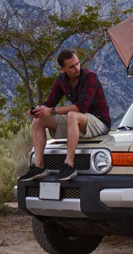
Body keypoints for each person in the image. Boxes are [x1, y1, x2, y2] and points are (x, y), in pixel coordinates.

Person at [18, 49, 111, 182]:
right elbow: (49, 103)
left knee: (72, 115)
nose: (77, 68)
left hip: (100, 122)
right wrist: (38, 110)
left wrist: (52, 111)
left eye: (78, 64)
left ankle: (69, 165)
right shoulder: (61, 80)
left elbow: (81, 107)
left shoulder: (90, 77)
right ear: (63, 69)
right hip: (79, 122)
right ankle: (38, 166)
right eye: (72, 66)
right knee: (39, 120)